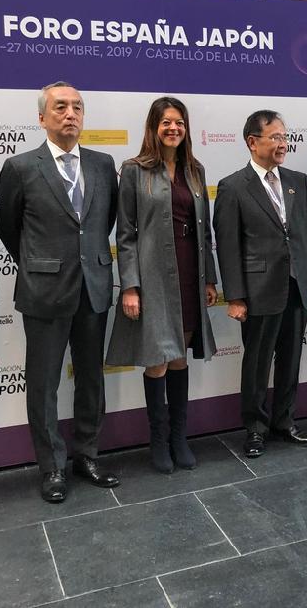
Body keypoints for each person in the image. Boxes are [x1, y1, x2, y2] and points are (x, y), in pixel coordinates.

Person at [0, 81, 119, 502]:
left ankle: (87, 454)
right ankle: (51, 467)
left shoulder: (103, 164)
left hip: (94, 286)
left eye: (77, 107)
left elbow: (104, 222)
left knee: (91, 378)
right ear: (42, 117)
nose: (71, 114)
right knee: (44, 383)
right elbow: (10, 229)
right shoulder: (20, 167)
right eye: (61, 107)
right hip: (44, 290)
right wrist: (43, 265)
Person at [105, 97, 218, 473]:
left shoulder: (195, 170)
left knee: (180, 355)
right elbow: (125, 234)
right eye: (166, 122)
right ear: (154, 127)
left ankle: (179, 438)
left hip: (189, 272)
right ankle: (158, 440)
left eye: (179, 122)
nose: (174, 128)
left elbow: (205, 232)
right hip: (152, 276)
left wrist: (209, 278)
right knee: (158, 359)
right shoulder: (134, 170)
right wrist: (130, 286)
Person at [214, 110, 307, 458]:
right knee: (258, 363)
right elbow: (228, 247)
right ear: (252, 142)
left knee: (291, 359)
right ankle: (255, 428)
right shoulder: (233, 186)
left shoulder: (298, 181)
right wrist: (235, 297)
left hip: (297, 285)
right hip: (258, 290)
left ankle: (284, 421)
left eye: (285, 137)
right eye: (275, 137)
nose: (283, 144)